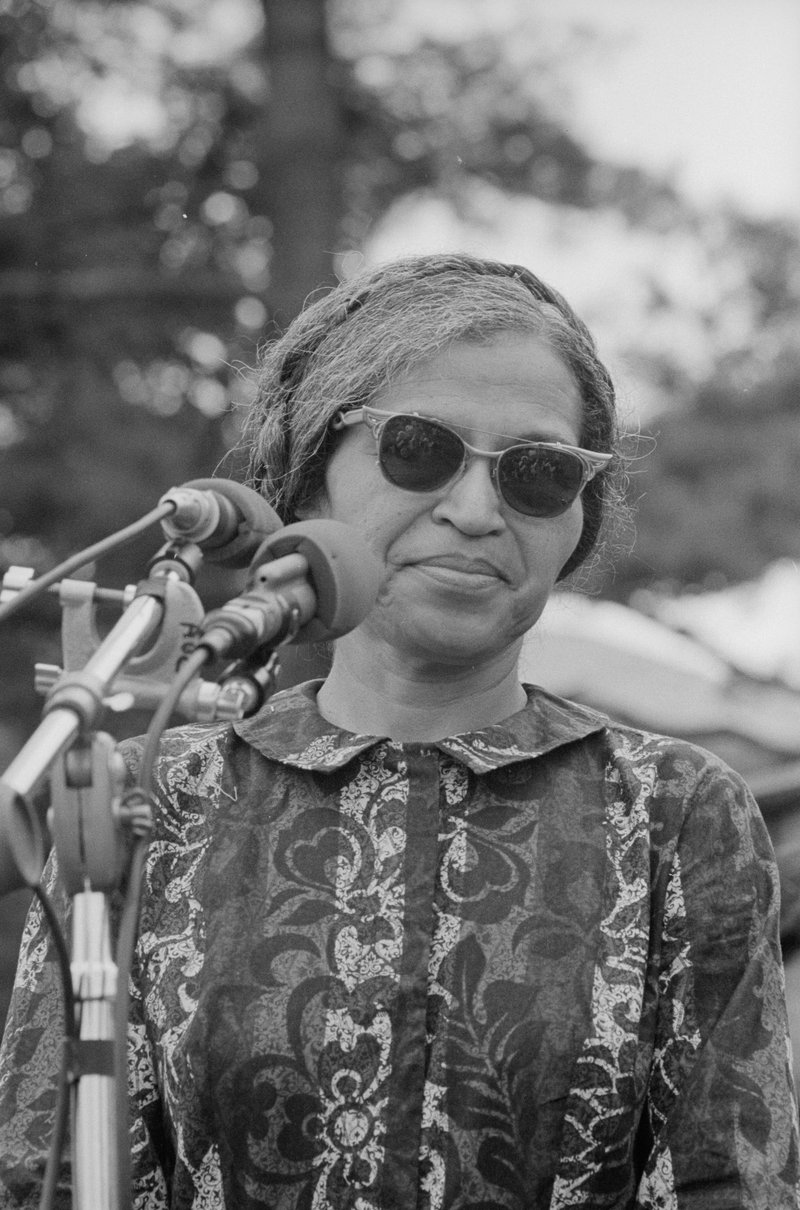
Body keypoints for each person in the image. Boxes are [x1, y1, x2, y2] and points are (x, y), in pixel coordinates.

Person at [0, 252, 798, 1209]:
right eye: (419, 448)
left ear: (576, 519)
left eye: (536, 473)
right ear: (310, 478)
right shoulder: (145, 792)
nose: (473, 511)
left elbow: (731, 1186)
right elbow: (44, 1177)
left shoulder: (677, 809)